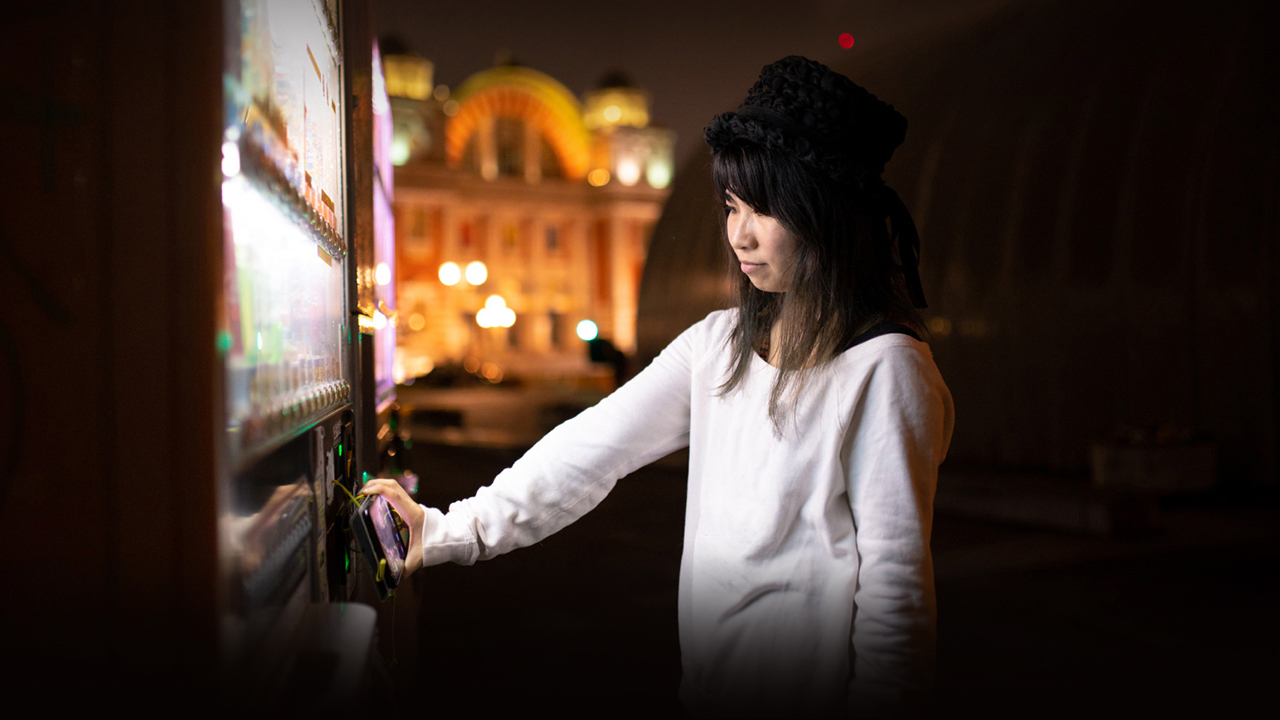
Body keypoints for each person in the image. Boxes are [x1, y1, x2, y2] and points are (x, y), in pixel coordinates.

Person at [361, 56, 954, 719]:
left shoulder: (886, 368)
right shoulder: (718, 344)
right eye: (732, 206)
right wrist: (443, 531)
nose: (740, 235)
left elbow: (895, 600)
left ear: (828, 213)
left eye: (766, 209)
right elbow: (587, 451)